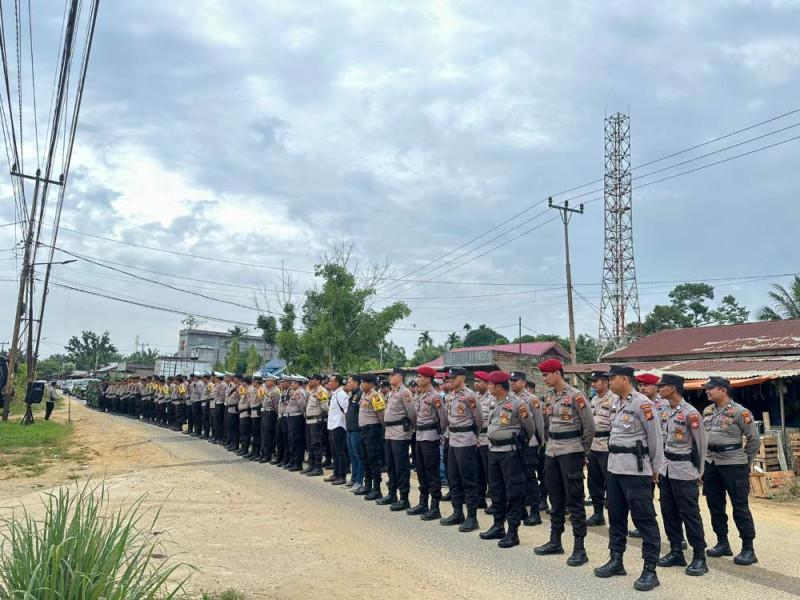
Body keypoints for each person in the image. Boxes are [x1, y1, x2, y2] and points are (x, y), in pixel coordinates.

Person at [594, 365, 664, 592]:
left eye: (611, 379)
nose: (608, 383)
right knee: (616, 516)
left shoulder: (643, 403)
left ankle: (650, 570)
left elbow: (655, 439)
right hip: (615, 469)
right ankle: (616, 560)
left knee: (644, 520)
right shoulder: (615, 403)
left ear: (623, 379)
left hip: (636, 471)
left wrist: (655, 469)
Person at [534, 359, 595, 567]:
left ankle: (579, 547)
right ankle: (555, 540)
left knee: (574, 500)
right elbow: (547, 424)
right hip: (552, 451)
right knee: (555, 497)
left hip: (571, 451)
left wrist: (582, 450)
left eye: (546, 375)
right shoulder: (549, 397)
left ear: (558, 373)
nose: (544, 378)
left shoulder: (576, 396)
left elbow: (589, 427)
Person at [701, 376, 760, 566]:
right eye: (707, 388)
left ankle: (748, 549)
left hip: (733, 464)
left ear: (723, 390)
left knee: (740, 507)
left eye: (711, 388)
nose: (707, 391)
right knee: (715, 505)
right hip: (712, 463)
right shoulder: (707, 411)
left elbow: (754, 440)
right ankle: (722, 543)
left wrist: (745, 461)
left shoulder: (740, 412)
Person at [655, 373, 709, 576]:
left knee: (690, 514)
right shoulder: (666, 410)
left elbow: (701, 445)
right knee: (669, 512)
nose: (659, 389)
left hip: (685, 471)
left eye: (662, 386)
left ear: (673, 388)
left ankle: (699, 557)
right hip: (667, 469)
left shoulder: (690, 413)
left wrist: (699, 471)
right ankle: (676, 550)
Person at [479, 370, 535, 548]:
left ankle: (513, 531)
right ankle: (498, 525)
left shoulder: (518, 404)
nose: (488, 387)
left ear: (497, 387)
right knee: (496, 490)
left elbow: (530, 428)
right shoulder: (495, 402)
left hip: (510, 452)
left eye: (489, 384)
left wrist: (519, 445)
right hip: (493, 450)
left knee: (513, 491)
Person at [440, 366, 483, 533]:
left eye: (454, 377)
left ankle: (472, 517)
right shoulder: (451, 396)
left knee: (468, 479)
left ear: (463, 378)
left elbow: (478, 420)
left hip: (465, 440)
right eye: (449, 377)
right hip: (451, 439)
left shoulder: (470, 396)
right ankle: (457, 512)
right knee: (453, 478)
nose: (450, 380)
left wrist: (472, 436)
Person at [408, 366, 448, 520]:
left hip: (430, 437)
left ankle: (434, 506)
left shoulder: (435, 396)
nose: (417, 379)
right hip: (419, 436)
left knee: (432, 471)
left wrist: (438, 432)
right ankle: (423, 502)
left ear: (428, 379)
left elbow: (443, 419)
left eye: (420, 377)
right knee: (421, 470)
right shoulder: (420, 395)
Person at [375, 368, 417, 511]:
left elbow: (412, 413)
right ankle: (392, 493)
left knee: (401, 466)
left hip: (400, 433)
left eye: (392, 376)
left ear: (400, 377)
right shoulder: (392, 392)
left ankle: (404, 498)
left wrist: (409, 428)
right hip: (389, 433)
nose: (390, 378)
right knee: (391, 465)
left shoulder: (405, 393)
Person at [509, 371, 545, 527]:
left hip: (529, 443)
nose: (512, 383)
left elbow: (539, 423)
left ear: (523, 382)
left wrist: (540, 442)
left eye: (515, 380)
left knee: (530, 478)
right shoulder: (508, 398)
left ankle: (535, 512)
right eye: (510, 380)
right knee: (517, 478)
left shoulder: (532, 399)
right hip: (514, 444)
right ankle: (521, 509)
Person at [587, 370, 619, 527]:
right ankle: (598, 514)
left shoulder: (614, 399)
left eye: (596, 381)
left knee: (611, 484)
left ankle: (615, 516)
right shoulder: (593, 399)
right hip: (593, 446)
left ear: (606, 383)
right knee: (594, 483)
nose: (593, 384)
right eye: (592, 381)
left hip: (607, 446)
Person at [356, 374, 385, 500]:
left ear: (372, 384)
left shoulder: (376, 396)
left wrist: (382, 430)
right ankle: (367, 485)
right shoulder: (364, 395)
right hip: (363, 430)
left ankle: (377, 489)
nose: (362, 384)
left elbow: (382, 417)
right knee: (365, 458)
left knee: (373, 460)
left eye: (364, 382)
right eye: (361, 382)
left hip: (373, 430)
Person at [325, 374, 349, 485]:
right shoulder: (335, 394)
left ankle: (342, 476)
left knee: (340, 452)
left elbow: (346, 410)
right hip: (332, 425)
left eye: (331, 381)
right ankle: (336, 473)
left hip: (339, 426)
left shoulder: (341, 394)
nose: (329, 383)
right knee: (334, 452)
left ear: (337, 383)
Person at [303, 374, 328, 476]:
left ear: (317, 381)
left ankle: (318, 468)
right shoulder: (312, 391)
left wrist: (320, 418)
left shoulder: (321, 391)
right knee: (310, 444)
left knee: (316, 444)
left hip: (316, 422)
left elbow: (325, 407)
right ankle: (311, 464)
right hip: (309, 421)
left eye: (311, 379)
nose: (310, 381)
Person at [345, 374, 365, 491]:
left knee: (358, 456)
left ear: (356, 383)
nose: (348, 384)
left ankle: (359, 481)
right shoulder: (352, 395)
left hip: (357, 430)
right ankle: (353, 478)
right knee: (352, 456)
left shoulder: (360, 395)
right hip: (349, 429)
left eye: (349, 382)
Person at [287, 377, 308, 471]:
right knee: (292, 441)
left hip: (296, 418)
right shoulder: (295, 392)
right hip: (292, 417)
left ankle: (297, 463)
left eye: (293, 382)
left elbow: (302, 405)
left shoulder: (299, 392)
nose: (291, 384)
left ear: (297, 383)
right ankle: (293, 461)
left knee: (297, 441)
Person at [259, 374, 281, 462]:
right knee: (264, 434)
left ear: (272, 382)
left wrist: (275, 415)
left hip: (270, 413)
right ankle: (264, 453)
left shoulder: (275, 391)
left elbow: (276, 406)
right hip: (265, 412)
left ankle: (267, 454)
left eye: (267, 381)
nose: (265, 382)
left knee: (268, 435)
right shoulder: (269, 390)